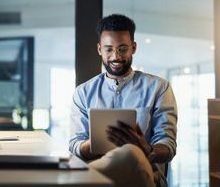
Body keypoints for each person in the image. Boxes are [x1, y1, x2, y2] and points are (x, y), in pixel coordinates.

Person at [69, 14, 177, 187]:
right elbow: (75, 145)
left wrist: (145, 148)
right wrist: (95, 143)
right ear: (99, 49)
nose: (116, 57)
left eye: (122, 49)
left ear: (133, 48)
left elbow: (168, 146)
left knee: (132, 154)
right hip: (99, 175)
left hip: (143, 175)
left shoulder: (159, 88)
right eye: (109, 49)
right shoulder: (83, 92)